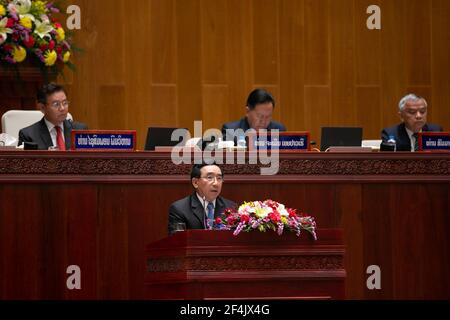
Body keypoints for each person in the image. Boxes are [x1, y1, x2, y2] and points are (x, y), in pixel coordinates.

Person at [168, 163, 236, 235]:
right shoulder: (180, 209)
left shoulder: (231, 207)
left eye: (219, 178)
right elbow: (177, 241)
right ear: (195, 182)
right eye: (210, 177)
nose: (216, 183)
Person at [18, 83, 87, 150]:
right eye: (56, 104)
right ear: (42, 107)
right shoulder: (28, 135)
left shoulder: (80, 130)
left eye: (65, 103)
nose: (62, 108)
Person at [221, 88, 286, 141]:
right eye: (260, 116)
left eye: (268, 117)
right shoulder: (230, 131)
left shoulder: (279, 130)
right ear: (247, 111)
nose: (263, 121)